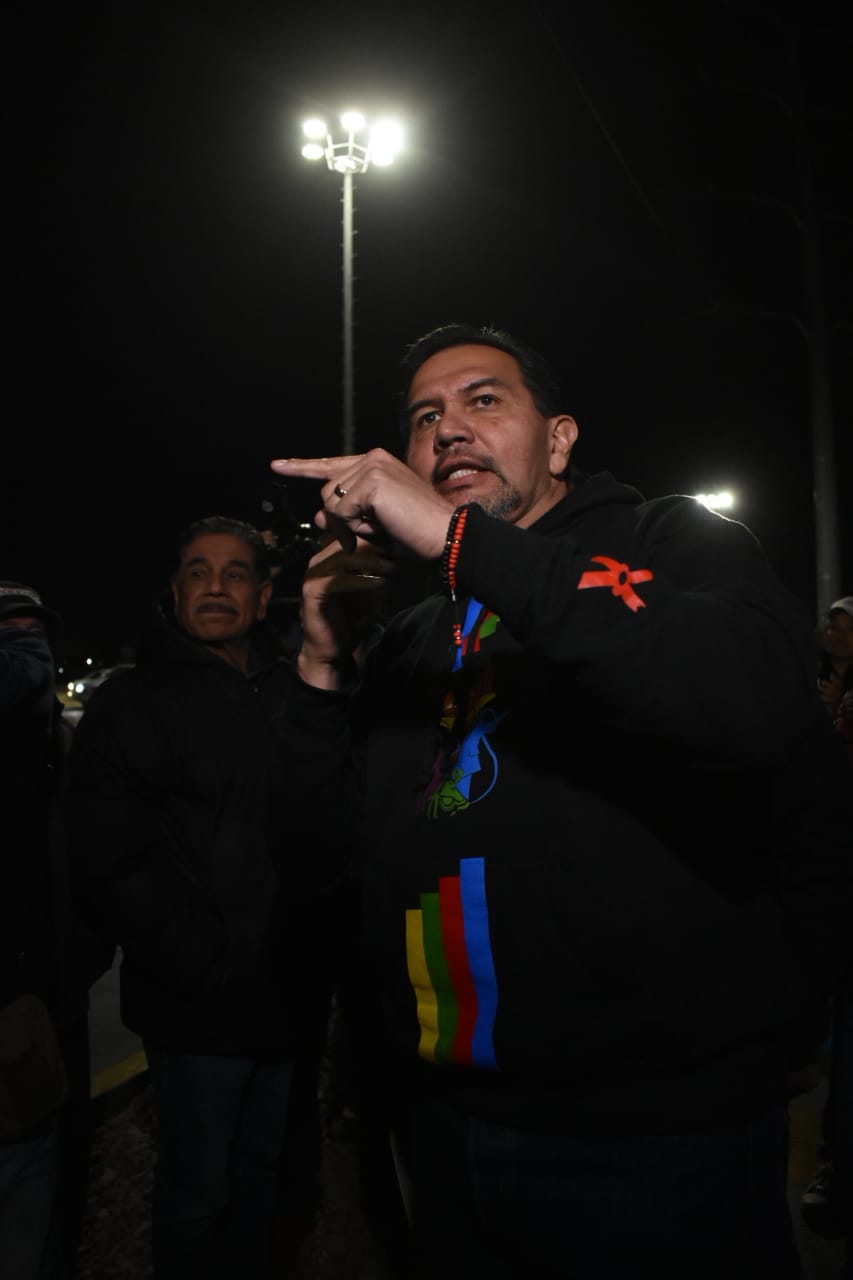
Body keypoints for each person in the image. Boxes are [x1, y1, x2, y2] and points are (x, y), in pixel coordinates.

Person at [270, 322, 853, 1280]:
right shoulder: (412, 635)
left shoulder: (667, 540)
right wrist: (323, 661)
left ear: (559, 439)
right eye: (424, 417)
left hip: (658, 1142)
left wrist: (778, 1021)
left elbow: (753, 706)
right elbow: (319, 861)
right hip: (444, 1124)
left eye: (483, 400)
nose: (449, 430)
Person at [64, 517, 345, 1280]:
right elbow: (107, 859)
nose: (215, 586)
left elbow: (330, 828)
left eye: (234, 572)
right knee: (197, 1194)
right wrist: (203, 962)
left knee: (267, 1179)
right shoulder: (130, 702)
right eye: (198, 571)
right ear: (175, 591)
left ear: (263, 593)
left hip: (286, 1000)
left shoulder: (303, 691)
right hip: (193, 1008)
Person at [0, 582, 70, 1279]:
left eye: (33, 630)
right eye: (8, 630)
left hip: (36, 983)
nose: (28, 645)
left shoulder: (53, 742)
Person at [800, 596, 853, 1273]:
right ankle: (838, 1165)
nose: (836, 634)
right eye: (832, 624)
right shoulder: (811, 683)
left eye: (846, 627)